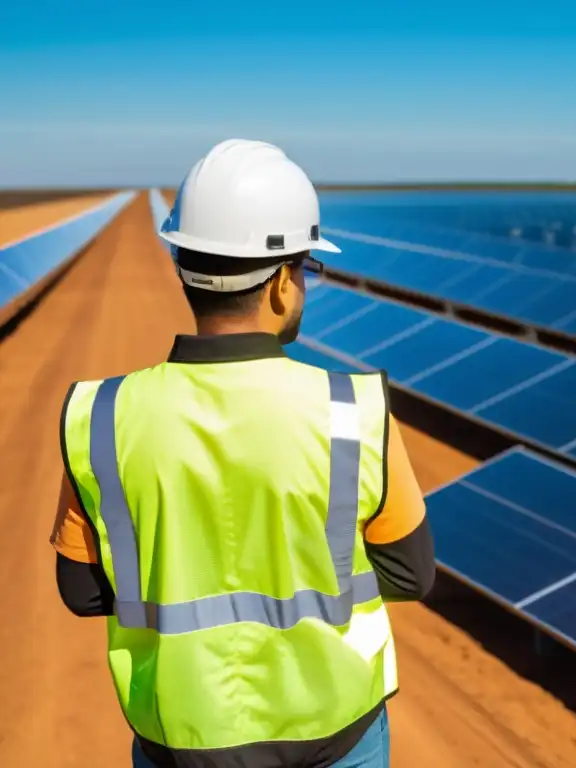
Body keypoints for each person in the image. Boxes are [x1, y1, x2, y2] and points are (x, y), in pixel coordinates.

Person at [49, 139, 435, 768]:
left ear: (184, 268)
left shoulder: (103, 418)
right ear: (283, 281)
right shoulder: (353, 411)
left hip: (179, 742)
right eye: (307, 269)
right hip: (336, 741)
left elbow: (81, 590)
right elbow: (410, 575)